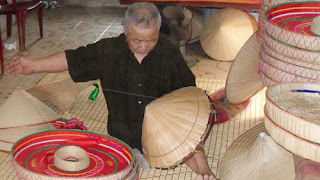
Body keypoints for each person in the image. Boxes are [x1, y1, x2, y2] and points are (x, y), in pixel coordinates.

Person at [7, 2, 217, 180]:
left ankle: (205, 171)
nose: (143, 47)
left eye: (151, 40)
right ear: (125, 29)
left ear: (159, 30)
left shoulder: (169, 53)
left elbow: (188, 99)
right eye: (136, 40)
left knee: (191, 142)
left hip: (163, 133)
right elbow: (73, 59)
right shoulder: (108, 50)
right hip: (120, 136)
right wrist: (33, 65)